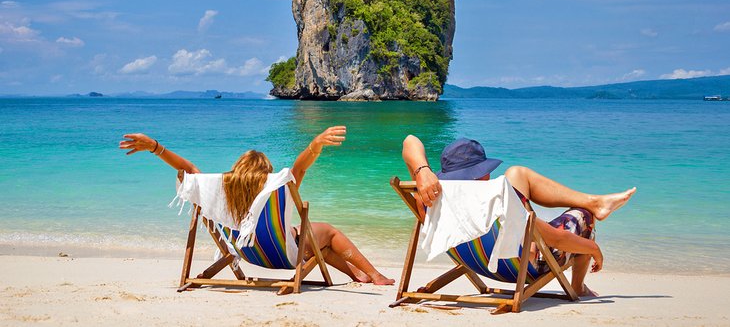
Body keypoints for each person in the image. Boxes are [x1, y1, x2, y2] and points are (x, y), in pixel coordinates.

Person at [120, 126, 394, 286]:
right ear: (268, 173)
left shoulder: (218, 190)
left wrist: (156, 147)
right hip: (284, 256)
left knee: (312, 241)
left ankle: (358, 275)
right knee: (328, 233)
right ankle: (375, 274)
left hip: (248, 254)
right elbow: (299, 167)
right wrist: (315, 144)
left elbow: (188, 169)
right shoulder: (277, 185)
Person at [402, 134, 636, 297]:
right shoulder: (496, 203)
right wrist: (594, 249)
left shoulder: (430, 195)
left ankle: (596, 201)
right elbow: (556, 239)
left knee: (516, 174)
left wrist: (422, 171)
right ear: (482, 173)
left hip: (478, 261)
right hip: (523, 268)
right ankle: (579, 284)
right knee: (583, 216)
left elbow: (409, 141)